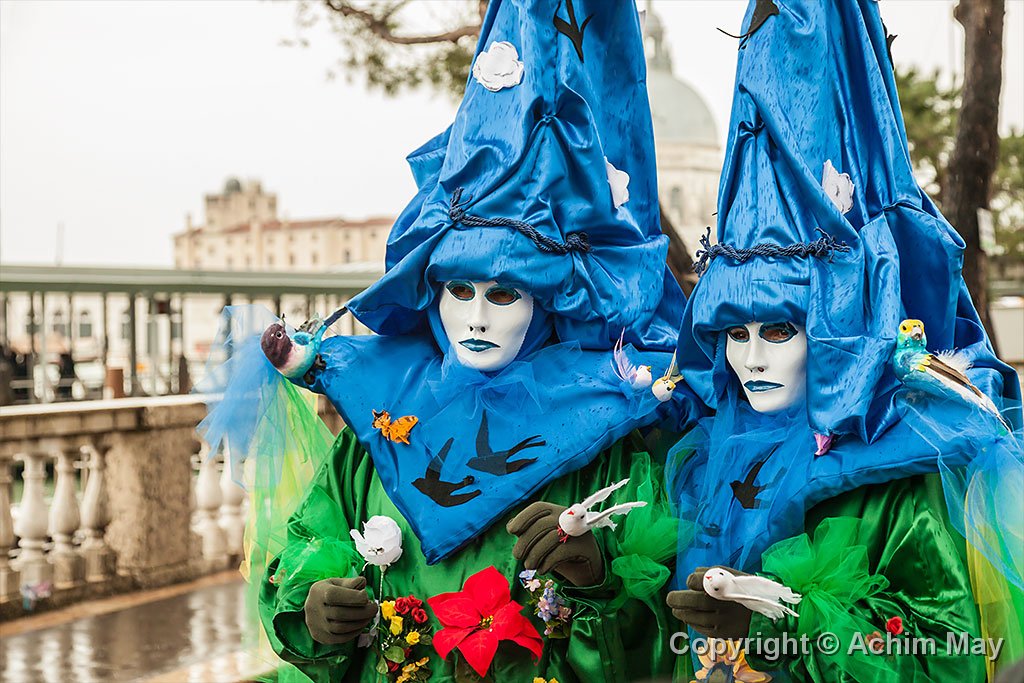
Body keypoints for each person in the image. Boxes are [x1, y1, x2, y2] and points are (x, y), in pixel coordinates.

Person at [200, 1, 699, 680]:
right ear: (431, 297)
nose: (477, 316)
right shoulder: (378, 428)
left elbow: (663, 637)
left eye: (502, 294)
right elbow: (302, 547)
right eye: (458, 290)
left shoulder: (600, 440)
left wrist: (598, 580)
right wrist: (309, 606)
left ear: (544, 304)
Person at [663, 1, 1023, 681]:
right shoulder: (707, 458)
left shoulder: (905, 464)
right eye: (733, 334)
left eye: (778, 329)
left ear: (832, 333)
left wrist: (786, 634)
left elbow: (952, 656)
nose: (753, 357)